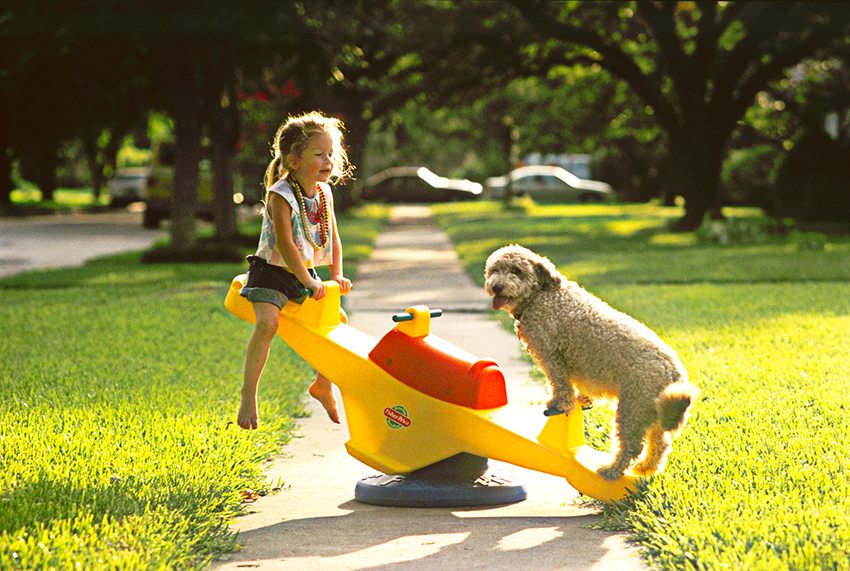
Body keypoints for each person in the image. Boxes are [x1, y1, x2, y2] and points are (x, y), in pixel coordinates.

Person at [238, 111, 353, 429]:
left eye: (331, 153)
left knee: (337, 321)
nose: (328, 160)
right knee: (268, 324)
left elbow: (334, 238)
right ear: (294, 159)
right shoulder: (281, 194)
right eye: (319, 154)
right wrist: (307, 280)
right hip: (272, 272)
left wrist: (335, 275)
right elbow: (286, 245)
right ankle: (249, 395)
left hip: (304, 274)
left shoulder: (324, 192)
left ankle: (322, 385)